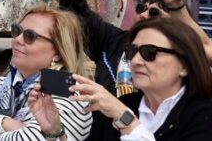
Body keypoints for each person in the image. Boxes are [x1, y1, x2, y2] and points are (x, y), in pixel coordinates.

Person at [36, 19, 212, 141]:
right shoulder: (123, 105)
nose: (136, 61)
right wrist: (55, 133)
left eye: (149, 53)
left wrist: (125, 119)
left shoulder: (204, 114)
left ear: (184, 65)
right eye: (131, 51)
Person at [60, 0, 211, 96]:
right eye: (141, 8)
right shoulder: (115, 40)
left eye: (154, 13)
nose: (143, 15)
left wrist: (176, 6)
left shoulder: (179, 54)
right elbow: (79, 18)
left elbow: (204, 49)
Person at [0, 6, 91, 141]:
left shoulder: (70, 90)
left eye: (30, 36)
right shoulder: (1, 84)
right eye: (16, 31)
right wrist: (4, 123)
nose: (17, 39)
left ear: (58, 52)